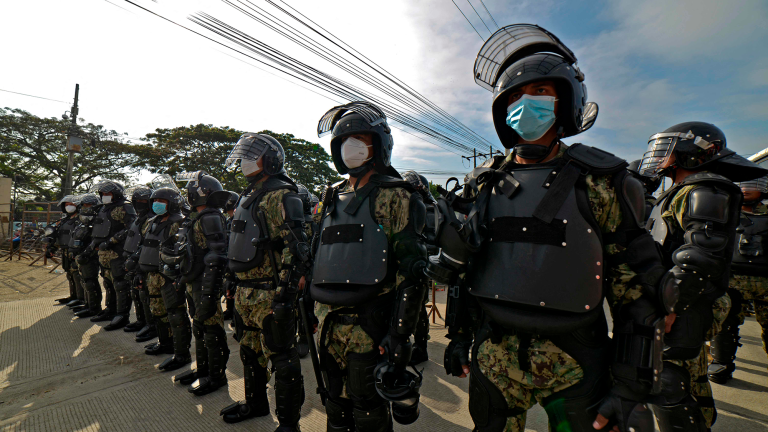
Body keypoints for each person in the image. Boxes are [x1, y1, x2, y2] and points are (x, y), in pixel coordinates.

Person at [429, 24, 670, 432]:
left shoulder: (604, 180)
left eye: (540, 92)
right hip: (494, 351)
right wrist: (460, 336)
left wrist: (631, 384)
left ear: (566, 101)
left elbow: (636, 291)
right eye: (515, 97)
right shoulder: (483, 181)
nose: (526, 104)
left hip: (576, 357)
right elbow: (470, 269)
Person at [640, 121, 767, 430]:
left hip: (687, 302)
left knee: (672, 380)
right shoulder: (682, 191)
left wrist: (671, 304)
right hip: (679, 301)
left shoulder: (705, 190)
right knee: (683, 378)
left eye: (666, 148)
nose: (659, 156)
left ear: (688, 150)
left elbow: (701, 255)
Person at [311, 102, 428, 431]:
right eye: (345, 139)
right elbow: (318, 255)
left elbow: (413, 271)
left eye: (360, 137)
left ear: (379, 144)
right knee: (333, 402)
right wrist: (309, 308)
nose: (352, 145)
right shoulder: (331, 197)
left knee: (367, 406)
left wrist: (399, 335)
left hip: (369, 325)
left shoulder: (397, 196)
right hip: (329, 321)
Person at [219, 133, 311, 432]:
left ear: (270, 161)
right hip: (245, 292)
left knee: (282, 360)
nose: (245, 161)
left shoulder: (282, 195)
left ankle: (288, 423)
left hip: (270, 293)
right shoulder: (248, 195)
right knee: (248, 352)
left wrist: (284, 295)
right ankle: (256, 402)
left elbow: (296, 249)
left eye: (252, 155)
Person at [169, 171, 231, 396]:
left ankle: (216, 376)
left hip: (206, 283)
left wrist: (209, 293)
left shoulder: (211, 217)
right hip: (192, 281)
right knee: (199, 328)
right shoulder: (195, 217)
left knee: (212, 330)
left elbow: (217, 257)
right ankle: (202, 369)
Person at [708, 176, 768, 383]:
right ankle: (721, 363)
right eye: (743, 184)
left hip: (766, 280)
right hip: (733, 280)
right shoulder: (726, 214)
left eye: (753, 184)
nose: (747, 188)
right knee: (726, 323)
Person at [138, 185, 191, 371]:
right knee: (157, 311)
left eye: (162, 201)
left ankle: (182, 353)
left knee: (175, 314)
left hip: (168, 276)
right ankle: (165, 343)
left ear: (173, 204)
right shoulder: (151, 221)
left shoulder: (180, 222)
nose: (157, 204)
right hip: (151, 274)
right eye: (155, 201)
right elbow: (144, 244)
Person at [88, 180, 137, 329]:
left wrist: (112, 241)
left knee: (120, 284)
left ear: (116, 194)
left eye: (107, 194)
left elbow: (132, 227)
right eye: (102, 194)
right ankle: (110, 309)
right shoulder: (103, 208)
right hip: (103, 253)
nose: (104, 196)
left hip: (117, 252)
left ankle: (122, 315)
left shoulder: (125, 207)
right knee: (108, 283)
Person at [402, 170, 437, 366]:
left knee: (417, 307)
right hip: (408, 264)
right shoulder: (406, 207)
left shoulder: (429, 209)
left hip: (421, 266)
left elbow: (431, 242)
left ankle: (421, 347)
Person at [120, 186, 156, 341]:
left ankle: (151, 325)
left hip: (143, 260)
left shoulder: (150, 218)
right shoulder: (138, 216)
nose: (140, 203)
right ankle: (141, 321)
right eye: (137, 200)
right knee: (136, 293)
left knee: (145, 294)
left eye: (143, 200)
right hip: (133, 260)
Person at [50, 195, 85, 307]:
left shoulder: (81, 219)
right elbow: (58, 236)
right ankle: (73, 296)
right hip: (65, 251)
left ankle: (81, 299)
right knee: (69, 274)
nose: (69, 206)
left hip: (76, 251)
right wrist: (52, 248)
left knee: (77, 275)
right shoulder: (64, 220)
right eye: (67, 205)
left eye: (72, 204)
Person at [72, 194, 104, 318]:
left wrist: (88, 252)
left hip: (91, 255)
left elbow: (97, 239)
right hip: (82, 254)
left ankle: (94, 308)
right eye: (84, 205)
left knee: (91, 282)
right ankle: (88, 304)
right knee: (84, 281)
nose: (86, 208)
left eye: (89, 205)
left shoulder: (99, 220)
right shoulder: (83, 220)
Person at [222, 190, 240, 322]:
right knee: (228, 285)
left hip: (236, 257)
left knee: (235, 286)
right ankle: (229, 310)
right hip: (228, 257)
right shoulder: (229, 220)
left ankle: (236, 314)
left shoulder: (238, 219)